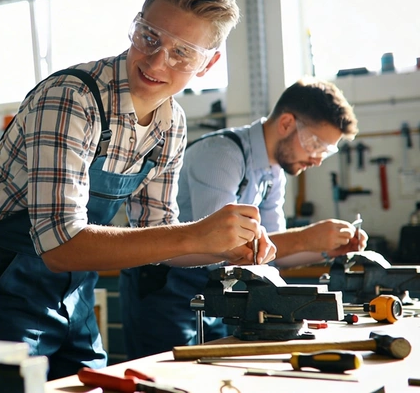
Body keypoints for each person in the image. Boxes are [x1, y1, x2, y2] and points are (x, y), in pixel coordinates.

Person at [0, 0, 277, 380]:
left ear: (208, 63)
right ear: (136, 26)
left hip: (74, 289)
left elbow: (159, 235)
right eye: (149, 37)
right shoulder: (72, 99)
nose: (157, 61)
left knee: (94, 383)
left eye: (182, 53)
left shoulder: (171, 124)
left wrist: (224, 249)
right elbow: (60, 244)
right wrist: (198, 234)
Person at [123, 77, 367, 358]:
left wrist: (327, 249)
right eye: (316, 145)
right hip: (164, 289)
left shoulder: (273, 173)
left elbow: (273, 254)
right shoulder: (222, 154)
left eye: (327, 151)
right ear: (286, 123)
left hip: (217, 289)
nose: (318, 160)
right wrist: (307, 237)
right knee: (162, 379)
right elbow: (223, 247)